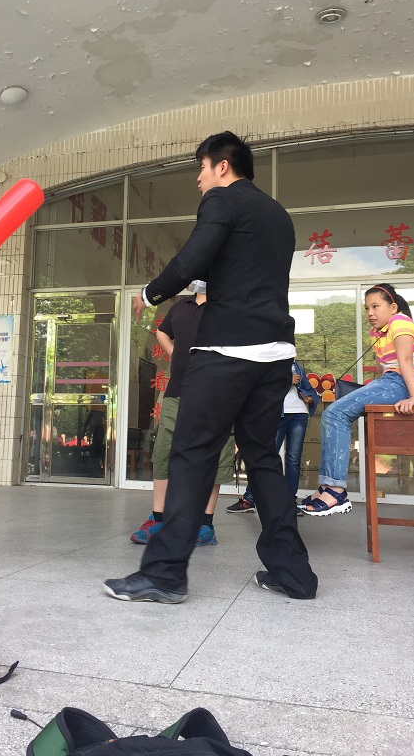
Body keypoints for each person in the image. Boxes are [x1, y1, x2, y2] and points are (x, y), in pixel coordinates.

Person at [104, 130, 318, 603]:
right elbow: (233, 267)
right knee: (262, 459)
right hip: (274, 355)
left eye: (201, 168)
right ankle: (295, 575)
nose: (198, 180)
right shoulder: (277, 215)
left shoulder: (222, 199)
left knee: (192, 453)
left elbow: (194, 256)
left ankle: (164, 575)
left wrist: (149, 294)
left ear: (222, 165)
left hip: (225, 352)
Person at [299, 283, 414, 516]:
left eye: (375, 306)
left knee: (334, 413)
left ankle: (336, 490)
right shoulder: (381, 332)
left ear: (393, 307)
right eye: (367, 308)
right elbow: (385, 370)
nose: (370, 313)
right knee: (334, 413)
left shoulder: (400, 322)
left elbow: (405, 360)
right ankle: (328, 485)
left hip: (408, 384)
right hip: (394, 382)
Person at [130, 281, 235, 547]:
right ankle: (158, 518)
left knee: (214, 455)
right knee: (164, 452)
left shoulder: (228, 304)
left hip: (217, 393)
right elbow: (162, 332)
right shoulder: (180, 307)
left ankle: (205, 525)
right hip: (177, 391)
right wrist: (175, 353)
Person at [226, 360, 319, 514]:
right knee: (265, 457)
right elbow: (261, 387)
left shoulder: (296, 366)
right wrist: (286, 380)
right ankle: (250, 499)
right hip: (277, 415)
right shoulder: (270, 363)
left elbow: (309, 390)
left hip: (299, 415)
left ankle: (289, 502)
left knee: (293, 460)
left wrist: (310, 398)